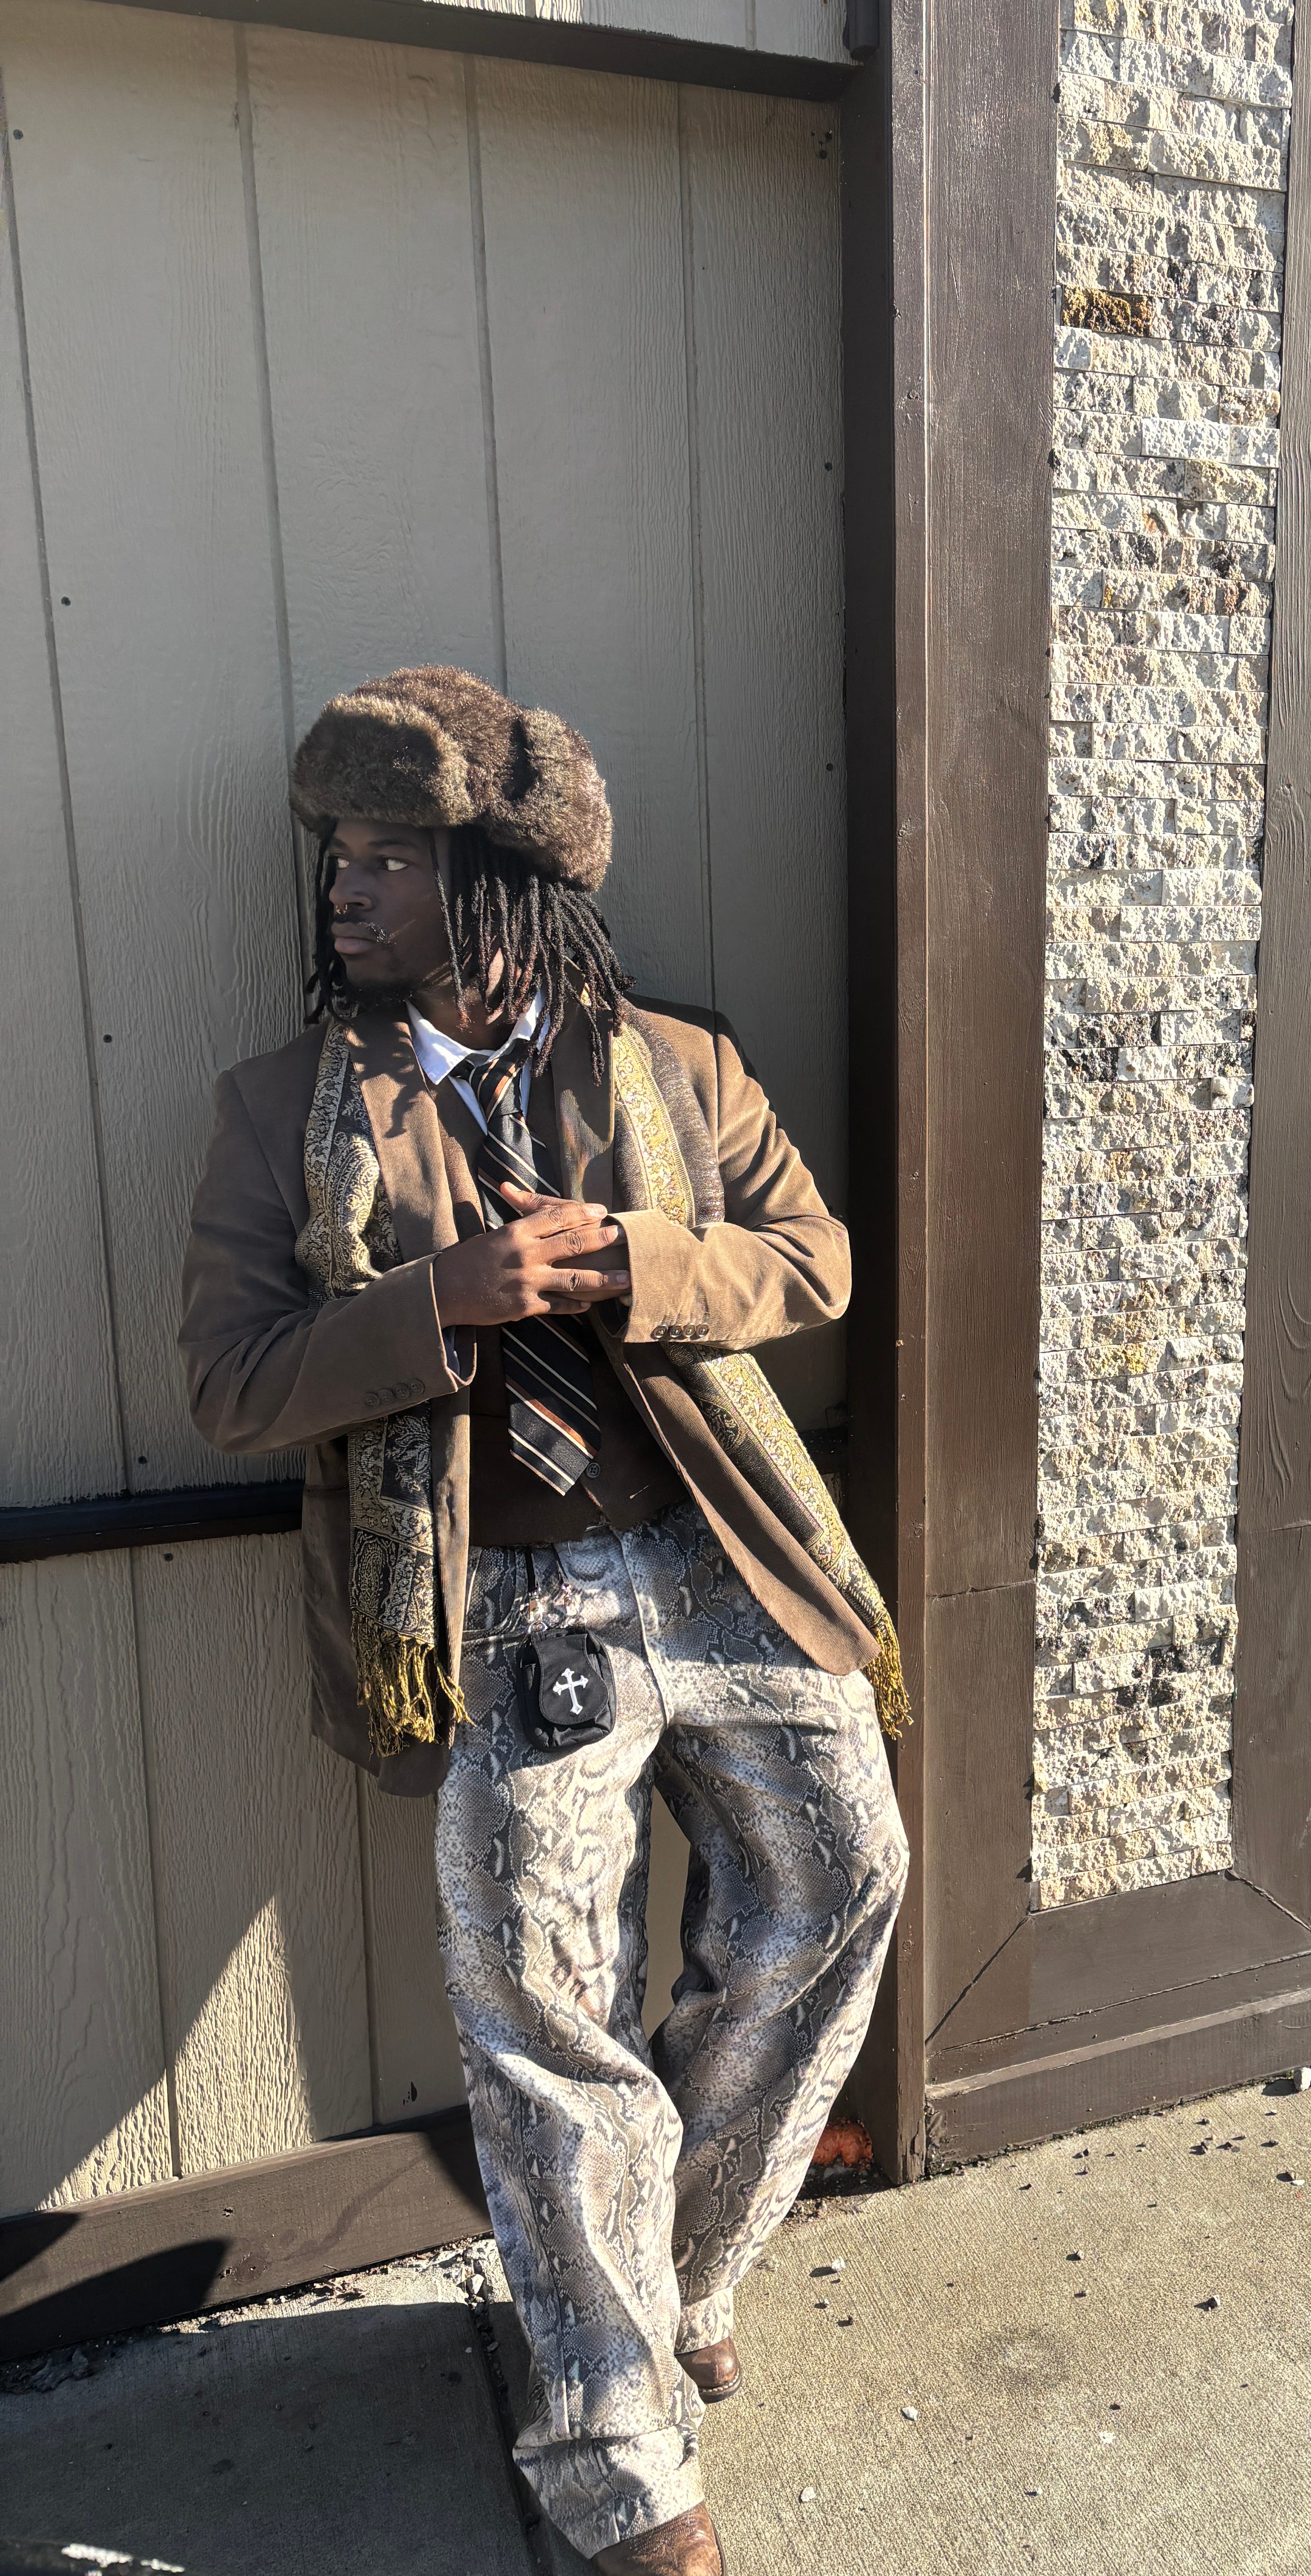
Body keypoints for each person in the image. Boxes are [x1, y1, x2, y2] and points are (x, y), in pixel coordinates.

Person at [180, 665, 908, 2576]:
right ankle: (616, 2457)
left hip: (723, 1554)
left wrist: (640, 1264)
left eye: (389, 857)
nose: (345, 889)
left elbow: (813, 1260)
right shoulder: (280, 1112)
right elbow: (232, 1384)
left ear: (500, 884)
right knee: (538, 2005)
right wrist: (442, 1302)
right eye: (338, 855)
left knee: (840, 1885)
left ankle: (673, 2276)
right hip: (503, 1595)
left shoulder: (679, 1064)